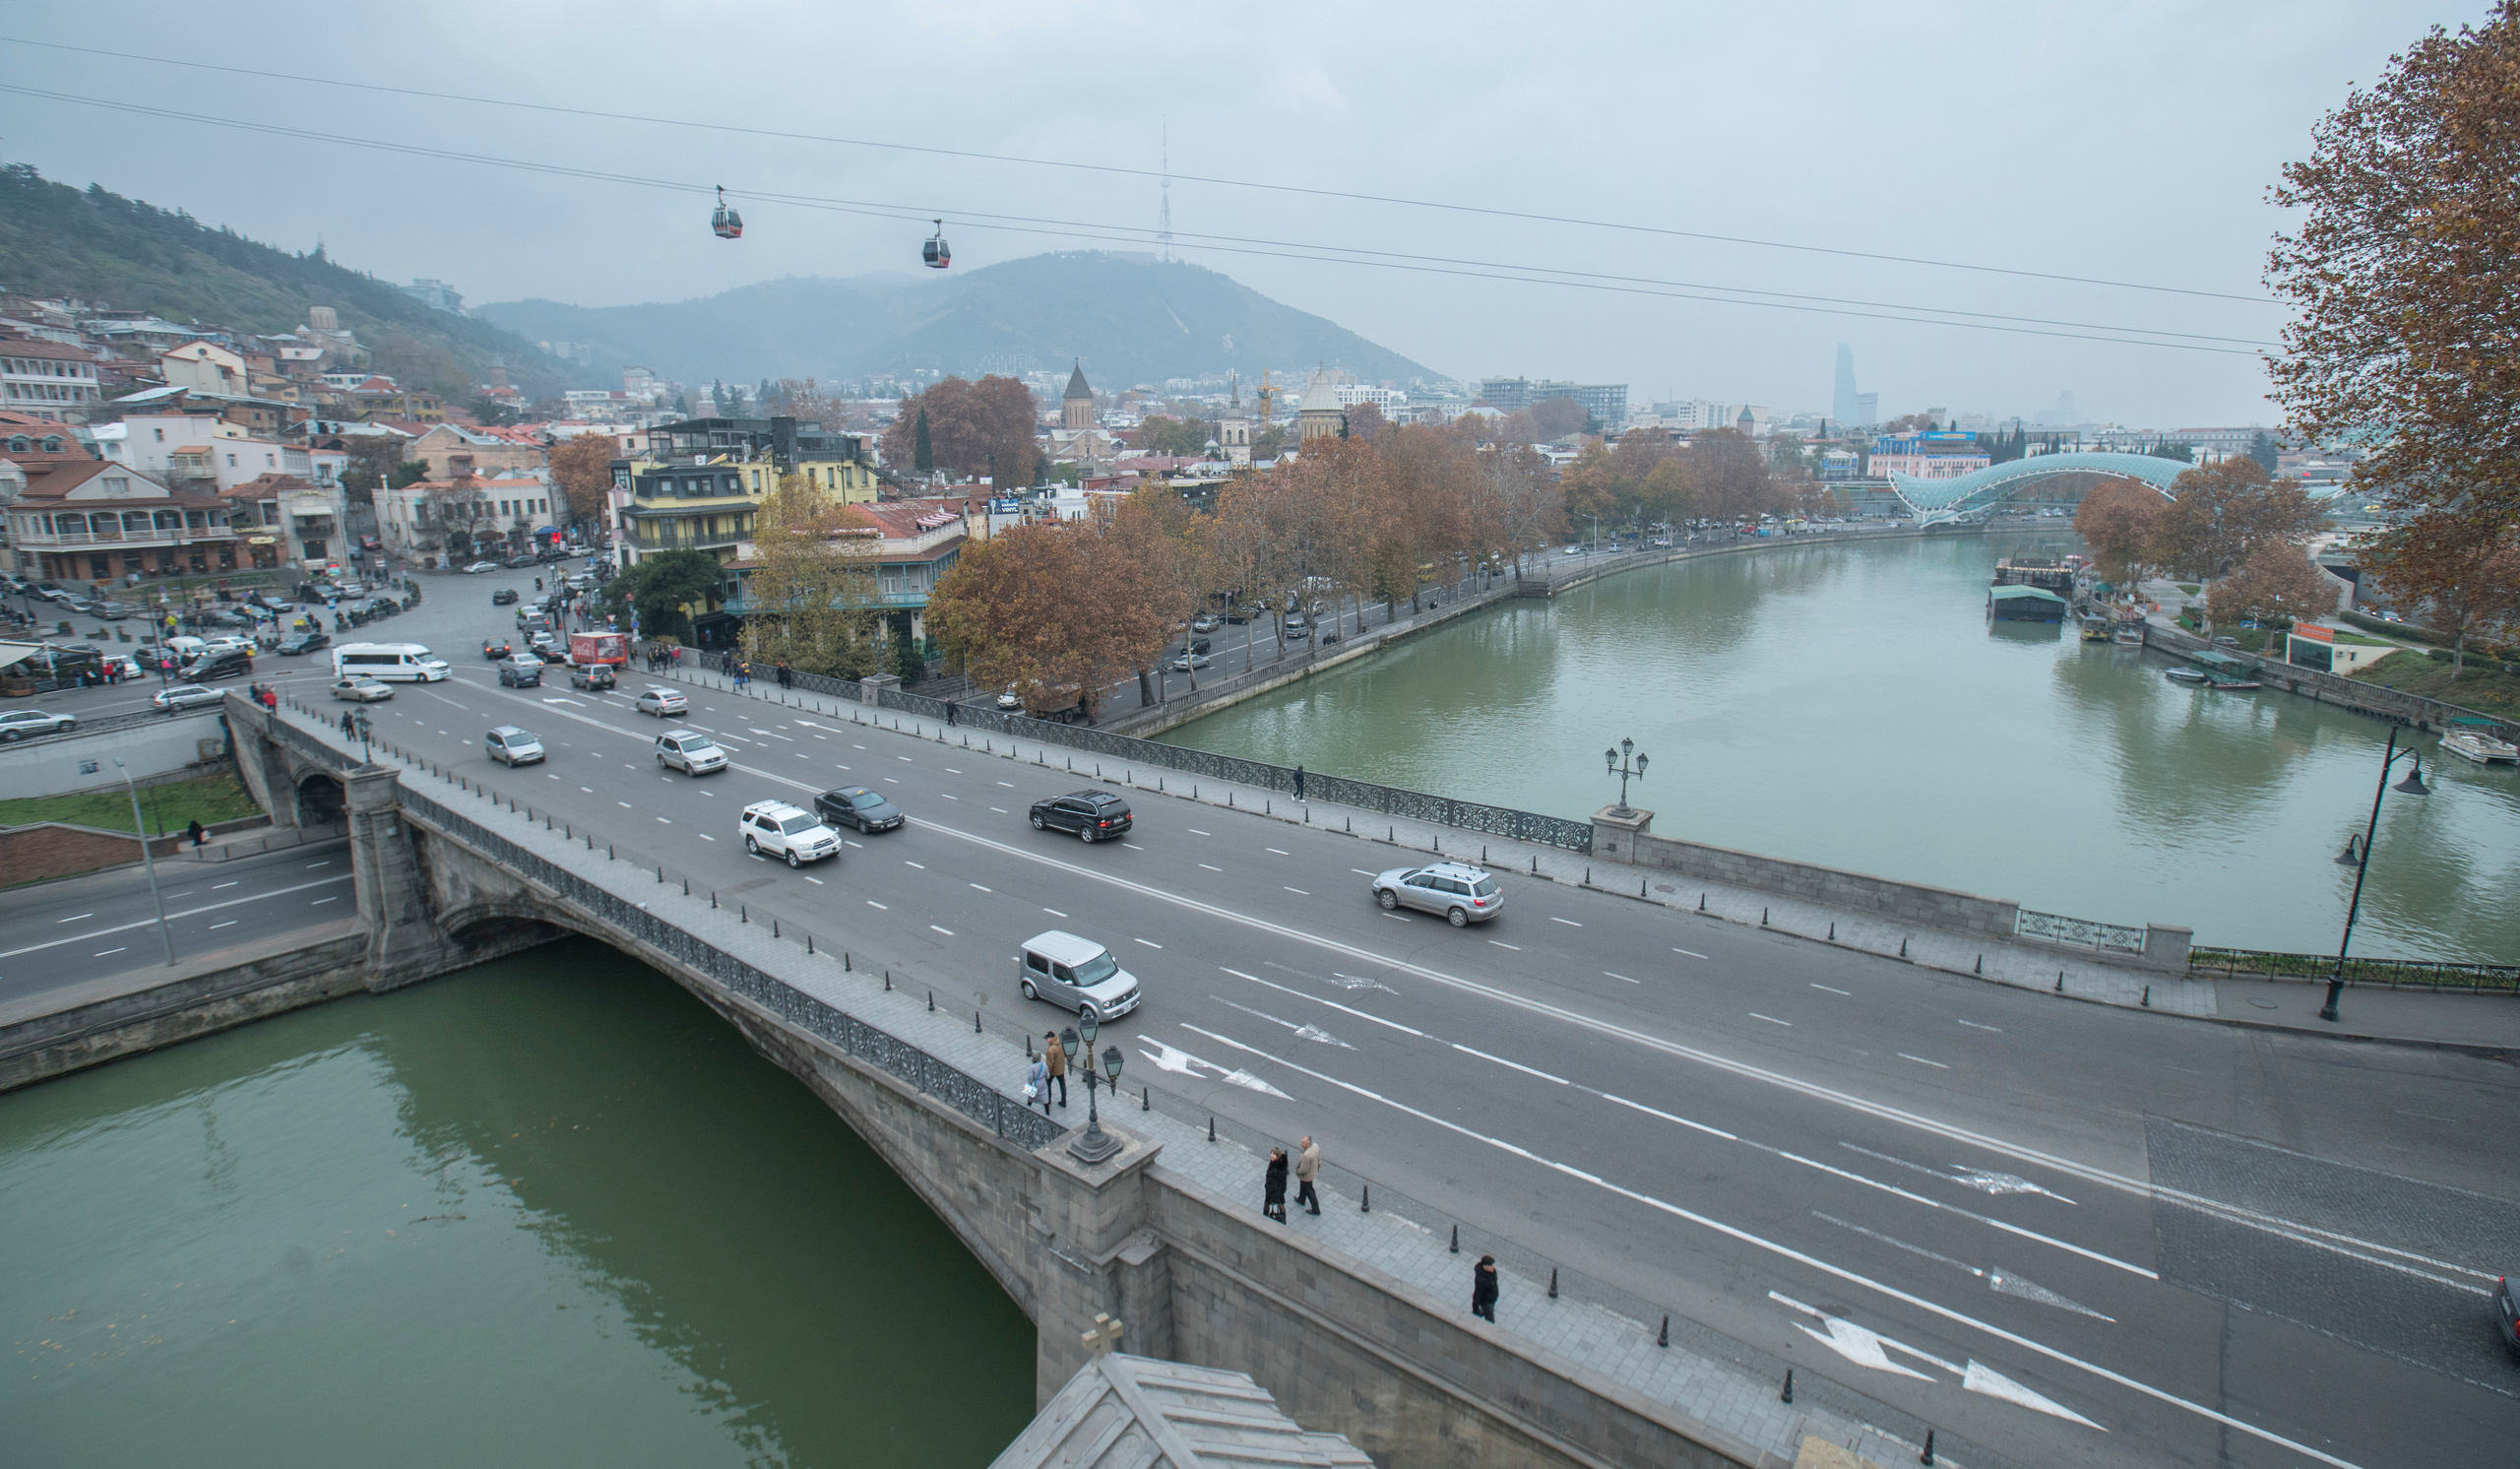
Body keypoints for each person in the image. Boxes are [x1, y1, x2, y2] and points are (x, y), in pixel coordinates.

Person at [1294, 1135, 1321, 1215]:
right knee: (1303, 1186)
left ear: (1308, 1144)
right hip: (1312, 1171)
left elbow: (1303, 1170)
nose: (1301, 1144)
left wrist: (1297, 1171)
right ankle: (1301, 1199)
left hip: (1307, 1176)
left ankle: (1316, 1209)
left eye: (1303, 1143)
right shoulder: (1315, 1146)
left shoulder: (1306, 1155)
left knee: (1310, 1191)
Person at [1042, 1031, 1069, 1108]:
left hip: (1053, 1071)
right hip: (1060, 1069)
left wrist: (1047, 1072)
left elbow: (1049, 1063)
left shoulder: (1051, 1050)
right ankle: (1063, 1101)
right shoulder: (1060, 1043)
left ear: (1051, 1038)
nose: (1046, 1040)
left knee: (1048, 1084)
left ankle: (1048, 1100)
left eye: (1047, 1038)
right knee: (1062, 1084)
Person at [1263, 1147, 1290, 1223]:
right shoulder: (1273, 1162)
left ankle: (1283, 1219)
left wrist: (1279, 1191)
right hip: (1270, 1188)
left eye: (1273, 1154)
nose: (1271, 1155)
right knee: (1267, 1203)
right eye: (1271, 1153)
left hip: (1277, 1190)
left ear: (1278, 1156)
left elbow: (1282, 1181)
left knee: (1280, 1204)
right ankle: (1264, 1218)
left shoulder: (1280, 1168)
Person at [1472, 1255, 1499, 1322]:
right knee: (1490, 1320)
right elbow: (1477, 1295)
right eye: (1490, 1266)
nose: (1493, 1267)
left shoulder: (1491, 1272)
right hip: (1487, 1302)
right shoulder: (1480, 1280)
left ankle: (1477, 1314)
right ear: (1485, 1266)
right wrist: (1475, 1311)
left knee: (1485, 1311)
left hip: (1492, 1298)